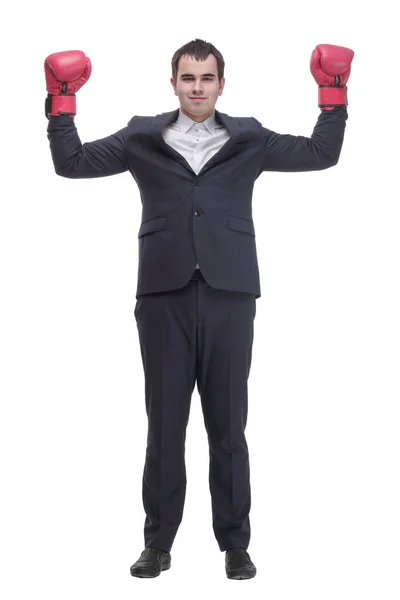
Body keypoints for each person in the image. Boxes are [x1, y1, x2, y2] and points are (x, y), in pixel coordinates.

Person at [44, 38, 354, 580]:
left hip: (229, 293)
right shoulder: (141, 136)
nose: (196, 87)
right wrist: (61, 101)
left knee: (228, 425)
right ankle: (157, 543)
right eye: (187, 78)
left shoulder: (251, 138)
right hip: (162, 294)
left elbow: (319, 154)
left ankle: (235, 543)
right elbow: (71, 163)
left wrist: (333, 94)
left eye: (206, 78)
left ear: (220, 84)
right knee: (164, 425)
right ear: (173, 84)